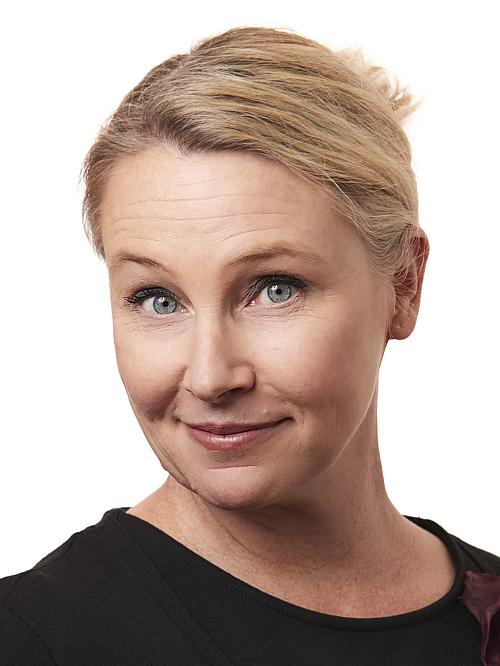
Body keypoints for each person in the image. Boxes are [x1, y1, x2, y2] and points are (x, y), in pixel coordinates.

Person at [1, 25, 499, 666]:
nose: (211, 377)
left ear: (404, 283)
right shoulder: (32, 639)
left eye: (274, 289)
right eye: (157, 299)